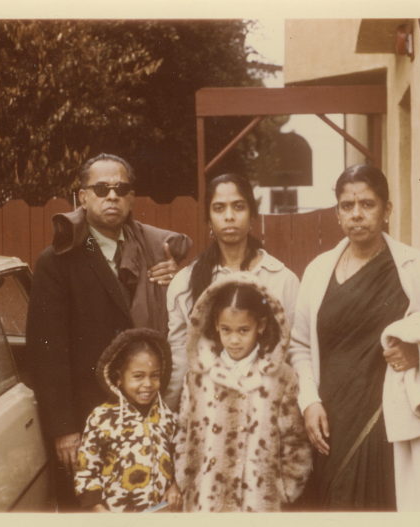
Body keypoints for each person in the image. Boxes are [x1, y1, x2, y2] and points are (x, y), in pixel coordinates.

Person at [288, 164, 420, 511]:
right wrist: (309, 402)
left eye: (367, 204)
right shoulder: (318, 271)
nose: (357, 215)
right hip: (331, 419)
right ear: (337, 212)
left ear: (386, 210)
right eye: (347, 206)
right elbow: (300, 345)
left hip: (391, 421)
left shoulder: (418, 269)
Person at [26, 153, 191, 509]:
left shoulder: (153, 254)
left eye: (121, 189)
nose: (112, 196)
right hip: (87, 425)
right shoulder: (57, 261)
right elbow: (48, 354)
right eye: (101, 188)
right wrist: (65, 430)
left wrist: (176, 282)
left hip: (147, 420)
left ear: (132, 198)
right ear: (82, 197)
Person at [174, 273, 312, 511]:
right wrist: (184, 478)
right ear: (215, 324)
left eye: (243, 330)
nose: (234, 340)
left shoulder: (280, 378)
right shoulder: (198, 376)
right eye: (226, 330)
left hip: (258, 504)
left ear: (261, 326)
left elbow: (294, 440)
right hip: (205, 502)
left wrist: (285, 489)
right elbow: (183, 432)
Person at [166, 173, 298, 411]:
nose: (229, 216)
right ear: (208, 218)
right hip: (208, 417)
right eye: (219, 208)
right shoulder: (185, 284)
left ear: (252, 215)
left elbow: (293, 353)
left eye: (238, 207)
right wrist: (168, 414)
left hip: (266, 414)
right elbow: (180, 359)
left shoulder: (281, 279)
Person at [74, 328, 182, 512]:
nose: (147, 384)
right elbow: (86, 470)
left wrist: (175, 486)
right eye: (138, 376)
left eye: (154, 375)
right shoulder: (101, 418)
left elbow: (179, 459)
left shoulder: (167, 417)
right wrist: (98, 509)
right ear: (118, 378)